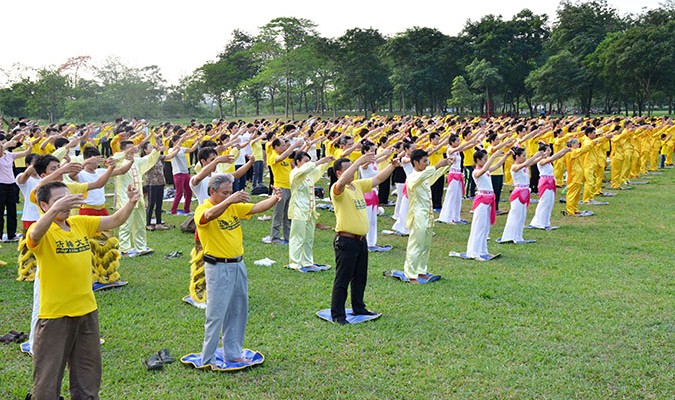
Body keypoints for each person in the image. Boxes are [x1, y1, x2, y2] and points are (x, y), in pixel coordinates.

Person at [27, 181, 140, 399]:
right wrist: (54, 211)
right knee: (47, 381)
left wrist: (131, 202)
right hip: (55, 316)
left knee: (88, 376)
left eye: (68, 198)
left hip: (87, 311)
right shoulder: (41, 228)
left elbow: (115, 220)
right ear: (43, 205)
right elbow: (34, 237)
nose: (67, 204)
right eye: (59, 200)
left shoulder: (79, 223)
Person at [195, 174, 280, 367]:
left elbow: (256, 208)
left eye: (230, 192)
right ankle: (207, 359)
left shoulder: (232, 207)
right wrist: (230, 200)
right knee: (216, 314)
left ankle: (232, 354)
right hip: (217, 267)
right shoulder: (205, 208)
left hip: (238, 265)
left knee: (237, 311)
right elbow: (207, 217)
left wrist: (274, 198)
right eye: (224, 193)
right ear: (212, 192)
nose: (229, 195)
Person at [330, 153, 399, 325]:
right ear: (339, 173)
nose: (353, 172)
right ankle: (338, 314)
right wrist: (358, 162)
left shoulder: (357, 186)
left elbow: (377, 179)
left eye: (354, 168)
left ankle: (358, 307)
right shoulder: (337, 189)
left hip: (361, 240)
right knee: (342, 279)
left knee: (360, 277)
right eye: (348, 169)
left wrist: (392, 166)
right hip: (345, 240)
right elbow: (340, 183)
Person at [402, 149, 451, 281]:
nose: (427, 163)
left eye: (427, 161)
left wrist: (446, 165)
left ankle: (421, 270)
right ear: (415, 163)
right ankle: (410, 274)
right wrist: (437, 165)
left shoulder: (424, 176)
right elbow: (426, 174)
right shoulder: (412, 178)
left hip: (428, 216)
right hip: (418, 216)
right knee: (416, 244)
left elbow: (433, 176)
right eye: (424, 161)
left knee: (425, 245)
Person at [287, 151, 333, 270]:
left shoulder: (308, 176)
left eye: (309, 161)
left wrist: (327, 162)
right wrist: (318, 162)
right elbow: (306, 169)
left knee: (308, 238)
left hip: (310, 210)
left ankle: (307, 261)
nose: (309, 164)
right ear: (298, 162)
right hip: (298, 210)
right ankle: (294, 263)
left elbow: (317, 171)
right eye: (305, 162)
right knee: (297, 237)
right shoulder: (295, 173)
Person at [464, 148, 509, 260]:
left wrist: (506, 156)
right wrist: (493, 156)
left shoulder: (486, 170)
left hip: (489, 200)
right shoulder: (476, 172)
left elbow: (497, 165)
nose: (486, 161)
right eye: (484, 159)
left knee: (485, 227)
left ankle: (483, 250)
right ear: (478, 160)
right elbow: (483, 170)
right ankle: (474, 252)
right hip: (482, 201)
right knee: (478, 227)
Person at [498, 148, 543, 243]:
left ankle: (518, 237)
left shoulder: (524, 166)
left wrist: (541, 156)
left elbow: (531, 162)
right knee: (515, 215)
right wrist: (535, 155)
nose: (525, 158)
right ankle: (510, 236)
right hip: (518, 193)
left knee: (522, 216)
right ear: (517, 157)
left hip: (525, 192)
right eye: (523, 156)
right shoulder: (514, 167)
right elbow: (526, 163)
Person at [267, 137, 303, 244]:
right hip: (280, 188)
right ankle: (275, 237)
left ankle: (288, 237)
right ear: (276, 147)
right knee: (278, 213)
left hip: (289, 187)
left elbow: (298, 159)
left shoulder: (286, 157)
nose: (284, 147)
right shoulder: (273, 156)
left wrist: (303, 145)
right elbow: (281, 157)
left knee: (288, 214)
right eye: (282, 146)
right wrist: (293, 145)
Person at [529, 143, 571, 229]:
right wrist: (561, 151)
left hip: (551, 181)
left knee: (550, 203)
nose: (549, 152)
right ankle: (538, 223)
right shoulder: (540, 161)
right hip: (545, 182)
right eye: (547, 150)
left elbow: (557, 157)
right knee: (544, 202)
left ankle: (545, 222)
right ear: (542, 152)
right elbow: (553, 158)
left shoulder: (548, 160)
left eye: (549, 150)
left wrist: (565, 151)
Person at [0, 132, 32, 242]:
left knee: (12, 210)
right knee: (0, 210)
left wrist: (29, 146)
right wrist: (8, 143)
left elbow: (26, 153)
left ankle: (11, 234)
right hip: (1, 185)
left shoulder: (9, 155)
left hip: (11, 184)